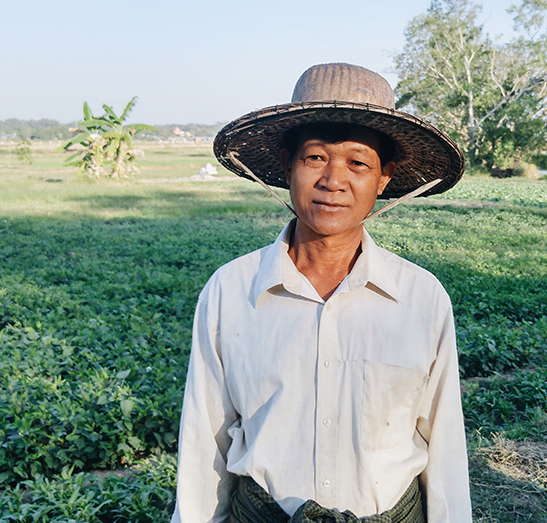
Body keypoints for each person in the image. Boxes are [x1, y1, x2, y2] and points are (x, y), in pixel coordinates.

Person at [171, 63, 471, 523]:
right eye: (315, 158)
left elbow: (444, 442)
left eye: (358, 162)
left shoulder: (422, 297)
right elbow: (204, 440)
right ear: (288, 166)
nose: (334, 180)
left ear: (384, 178)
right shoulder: (230, 291)